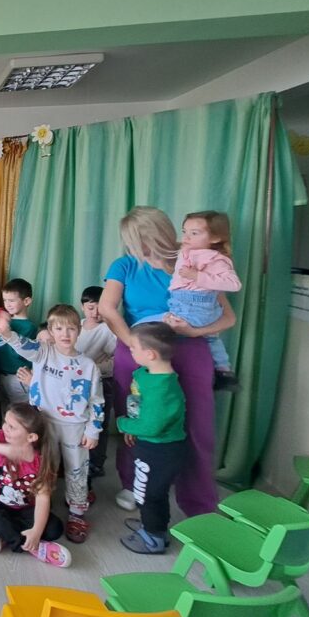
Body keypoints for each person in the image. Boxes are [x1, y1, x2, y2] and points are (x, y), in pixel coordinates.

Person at [99, 206, 234, 518]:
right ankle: (134, 483)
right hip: (137, 351)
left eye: (144, 240)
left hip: (189, 347)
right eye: (133, 241)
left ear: (162, 232)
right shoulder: (125, 265)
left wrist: (195, 331)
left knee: (198, 424)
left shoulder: (195, 261)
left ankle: (199, 499)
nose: (140, 248)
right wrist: (132, 342)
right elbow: (107, 308)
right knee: (135, 418)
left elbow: (228, 317)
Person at [0, 306, 104, 544]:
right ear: (51, 331)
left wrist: (93, 430)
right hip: (42, 421)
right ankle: (39, 504)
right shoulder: (43, 352)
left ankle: (77, 512)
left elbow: (97, 401)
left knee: (76, 469)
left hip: (75, 426)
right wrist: (7, 333)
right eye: (59, 328)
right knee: (43, 466)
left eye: (71, 328)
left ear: (79, 330)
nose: (65, 334)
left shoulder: (89, 366)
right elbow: (22, 345)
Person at [117, 323, 187, 554]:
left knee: (148, 494)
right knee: (153, 491)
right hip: (151, 446)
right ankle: (155, 527)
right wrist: (134, 426)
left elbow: (151, 426)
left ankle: (153, 537)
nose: (130, 351)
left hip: (159, 451)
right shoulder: (148, 374)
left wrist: (123, 424)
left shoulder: (162, 390)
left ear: (150, 354)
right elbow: (141, 408)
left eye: (133, 348)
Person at [0, 403, 71, 568]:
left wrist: (37, 531)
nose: (5, 427)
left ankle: (4, 532)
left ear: (31, 437)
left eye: (12, 427)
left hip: (23, 509)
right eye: (5, 422)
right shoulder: (2, 437)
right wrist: (5, 449)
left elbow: (43, 499)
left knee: (55, 528)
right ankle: (26, 545)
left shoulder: (41, 462)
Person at [166, 211, 242, 392]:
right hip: (182, 303)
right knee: (211, 338)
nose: (186, 237)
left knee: (158, 333)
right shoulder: (188, 251)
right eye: (184, 232)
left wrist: (198, 276)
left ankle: (164, 373)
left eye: (194, 233)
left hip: (194, 306)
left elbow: (234, 284)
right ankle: (223, 371)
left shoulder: (216, 259)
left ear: (215, 238)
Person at [76, 286, 117, 479]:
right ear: (82, 307)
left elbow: (116, 361)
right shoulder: (77, 326)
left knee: (98, 424)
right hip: (77, 383)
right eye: (91, 307)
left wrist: (94, 369)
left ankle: (96, 464)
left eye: (100, 308)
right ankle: (78, 459)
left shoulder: (108, 330)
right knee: (79, 423)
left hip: (101, 383)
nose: (95, 313)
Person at [0, 278, 38, 405]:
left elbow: (21, 353)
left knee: (18, 412)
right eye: (5, 300)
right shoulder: (6, 321)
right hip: (0, 376)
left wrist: (7, 330)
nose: (7, 304)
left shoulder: (29, 327)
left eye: (12, 300)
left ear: (26, 301)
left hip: (16, 379)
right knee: (4, 411)